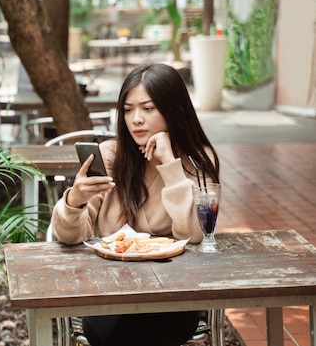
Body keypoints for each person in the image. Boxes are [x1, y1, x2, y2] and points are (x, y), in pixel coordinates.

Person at [50, 63, 220, 346]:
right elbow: (68, 237)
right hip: (108, 293)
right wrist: (75, 200)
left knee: (138, 333)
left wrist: (169, 165)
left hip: (172, 296)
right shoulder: (111, 155)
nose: (135, 119)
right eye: (128, 110)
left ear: (173, 108)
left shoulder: (197, 160)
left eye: (147, 108)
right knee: (119, 331)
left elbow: (195, 234)